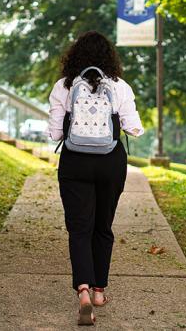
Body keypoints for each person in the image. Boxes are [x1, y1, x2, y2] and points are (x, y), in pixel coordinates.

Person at [45, 30, 144, 325]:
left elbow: (55, 134)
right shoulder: (119, 86)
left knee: (79, 229)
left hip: (75, 162)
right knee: (103, 227)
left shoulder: (63, 86)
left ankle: (84, 291)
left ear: (74, 56)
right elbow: (134, 129)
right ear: (109, 57)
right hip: (110, 162)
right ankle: (100, 291)